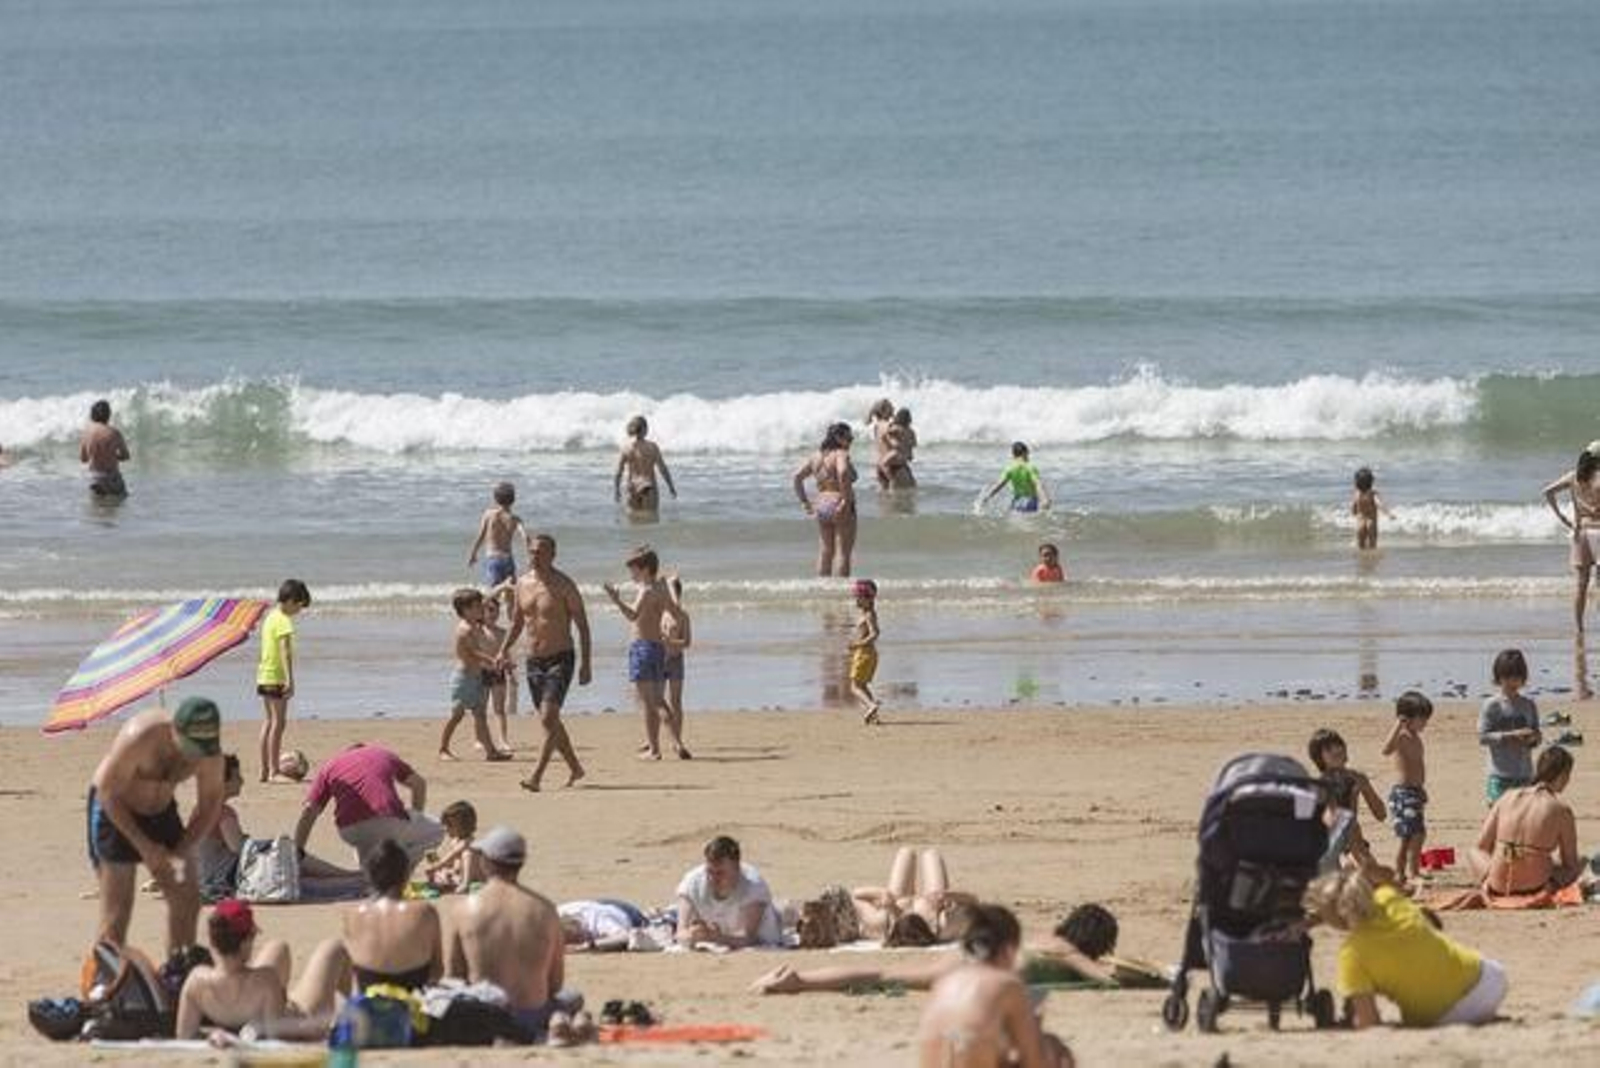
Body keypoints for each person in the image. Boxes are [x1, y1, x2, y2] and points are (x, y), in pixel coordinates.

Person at [87, 699, 226, 955]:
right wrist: (144, 846)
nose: (192, 756)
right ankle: (106, 985)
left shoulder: (210, 754)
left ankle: (177, 971)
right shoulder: (139, 735)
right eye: (189, 748)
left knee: (187, 899)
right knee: (117, 910)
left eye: (200, 750)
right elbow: (108, 793)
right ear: (174, 730)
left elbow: (210, 804)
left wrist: (183, 849)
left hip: (161, 811)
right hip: (115, 811)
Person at [1303, 868, 1507, 1028]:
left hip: (1442, 1016)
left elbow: (1369, 1022)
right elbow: (1386, 878)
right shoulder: (1389, 897)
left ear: (1331, 916)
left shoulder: (1353, 953)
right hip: (1489, 985)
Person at [444, 827, 583, 1040]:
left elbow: (455, 976)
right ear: (521, 863)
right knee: (573, 997)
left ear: (486, 862)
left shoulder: (464, 909)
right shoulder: (545, 909)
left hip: (484, 1014)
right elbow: (555, 983)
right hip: (532, 1012)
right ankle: (555, 1023)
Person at [917, 904, 1073, 1068]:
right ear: (1009, 949)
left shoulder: (945, 983)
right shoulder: (1006, 984)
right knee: (1054, 1049)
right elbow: (1032, 1058)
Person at [175, 899, 350, 1040]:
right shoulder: (265, 980)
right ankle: (359, 1010)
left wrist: (219, 1035)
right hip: (296, 1022)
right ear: (246, 943)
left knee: (278, 947)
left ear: (212, 942)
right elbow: (275, 1036)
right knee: (334, 948)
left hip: (237, 1015)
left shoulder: (196, 980)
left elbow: (184, 1035)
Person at [199, 754, 362, 903]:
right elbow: (238, 848)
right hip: (229, 882)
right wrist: (267, 847)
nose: (241, 781)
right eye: (237, 777)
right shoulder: (222, 811)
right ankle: (353, 879)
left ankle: (350, 877)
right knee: (292, 862)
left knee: (292, 864)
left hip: (212, 880)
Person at [499, 533, 590, 792]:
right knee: (549, 720)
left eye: (540, 552)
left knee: (549, 716)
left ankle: (536, 776)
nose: (535, 556)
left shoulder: (564, 585)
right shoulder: (522, 584)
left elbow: (583, 626)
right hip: (534, 659)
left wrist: (586, 664)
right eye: (531, 552)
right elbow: (517, 623)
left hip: (561, 657)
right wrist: (503, 650)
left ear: (553, 554)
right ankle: (575, 767)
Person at [603, 546, 692, 760]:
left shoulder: (646, 589)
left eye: (633, 569)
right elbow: (677, 614)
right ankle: (668, 744)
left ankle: (660, 748)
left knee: (652, 702)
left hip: (642, 647)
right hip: (658, 648)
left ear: (644, 569)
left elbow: (633, 615)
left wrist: (615, 599)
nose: (631, 574)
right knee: (657, 700)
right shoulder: (661, 589)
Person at [294, 742, 443, 868]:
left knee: (368, 842)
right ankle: (400, 869)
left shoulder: (329, 766)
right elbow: (419, 784)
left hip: (349, 830)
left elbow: (309, 812)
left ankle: (369, 872)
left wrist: (298, 850)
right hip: (387, 819)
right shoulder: (382, 753)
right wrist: (415, 820)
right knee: (437, 830)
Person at [1468, 746, 1583, 896]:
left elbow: (1481, 846)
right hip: (1536, 886)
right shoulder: (1561, 809)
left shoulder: (1507, 797)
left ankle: (1490, 879)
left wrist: (1492, 869)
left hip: (1499, 884)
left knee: (1473, 851)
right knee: (1577, 866)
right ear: (1563, 775)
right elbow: (1570, 862)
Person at [343, 839, 442, 994]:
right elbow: (437, 971)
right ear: (406, 874)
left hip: (371, 1007)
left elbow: (353, 970)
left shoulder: (352, 915)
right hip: (412, 1006)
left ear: (369, 875)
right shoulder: (424, 912)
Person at [439, 588, 511, 762]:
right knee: (457, 716)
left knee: (480, 715)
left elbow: (487, 600)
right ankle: (443, 748)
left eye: (481, 605)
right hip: (464, 680)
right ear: (465, 610)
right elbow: (474, 653)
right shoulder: (464, 629)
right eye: (477, 606)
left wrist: (503, 587)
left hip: (477, 677)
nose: (482, 609)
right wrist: (495, 661)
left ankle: (491, 751)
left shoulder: (475, 624)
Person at [849, 847, 976, 943]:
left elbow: (855, 896)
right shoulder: (942, 924)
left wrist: (882, 894)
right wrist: (949, 895)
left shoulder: (882, 923)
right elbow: (973, 901)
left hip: (898, 897)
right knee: (931, 854)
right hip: (932, 900)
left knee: (906, 852)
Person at [675, 836, 782, 948]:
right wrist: (692, 935)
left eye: (720, 873)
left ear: (737, 868)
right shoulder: (693, 882)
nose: (713, 879)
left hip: (760, 939)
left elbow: (749, 939)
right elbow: (680, 933)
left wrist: (713, 937)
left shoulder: (753, 886)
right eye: (709, 872)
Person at [1307, 728, 1386, 873]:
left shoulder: (1356, 778)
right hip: (1327, 845)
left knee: (1367, 871)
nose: (1336, 750)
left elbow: (1381, 815)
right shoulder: (1318, 786)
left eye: (1339, 745)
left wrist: (1366, 787)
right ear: (1319, 757)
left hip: (1355, 842)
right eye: (1329, 749)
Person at [257, 579, 311, 785]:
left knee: (269, 721)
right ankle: (273, 771)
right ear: (289, 600)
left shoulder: (270, 617)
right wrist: (290, 679)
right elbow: (285, 651)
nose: (299, 610)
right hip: (277, 676)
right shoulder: (283, 621)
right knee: (278, 723)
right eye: (299, 605)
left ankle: (264, 770)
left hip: (263, 675)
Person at [1542, 443, 1600, 632]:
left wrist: (1562, 518)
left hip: (1580, 533)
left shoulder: (1573, 476)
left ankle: (1579, 628)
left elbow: (1548, 492)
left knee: (1581, 585)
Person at [793, 422, 859, 577]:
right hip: (838, 501)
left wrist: (805, 502)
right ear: (838, 438)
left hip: (821, 503)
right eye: (848, 437)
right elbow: (842, 473)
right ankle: (841, 588)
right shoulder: (840, 454)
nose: (851, 441)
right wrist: (845, 501)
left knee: (826, 551)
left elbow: (797, 477)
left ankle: (823, 586)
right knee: (844, 552)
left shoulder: (816, 457)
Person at [1479, 648, 1542, 804]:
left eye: (1517, 678)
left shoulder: (1529, 704)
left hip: (1524, 774)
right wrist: (1511, 736)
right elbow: (1483, 737)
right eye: (1507, 678)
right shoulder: (1492, 705)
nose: (1512, 682)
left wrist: (1533, 738)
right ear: (1499, 678)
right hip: (1499, 775)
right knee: (1498, 817)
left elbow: (1537, 737)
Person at [1382, 691, 1432, 884]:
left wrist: (1421, 789)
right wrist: (1397, 725)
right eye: (1423, 719)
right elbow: (1386, 750)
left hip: (1415, 792)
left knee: (1418, 833)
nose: (1425, 723)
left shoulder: (1416, 738)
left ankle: (1411, 871)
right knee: (1408, 835)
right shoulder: (1401, 736)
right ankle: (1404, 873)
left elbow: (1418, 766)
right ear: (1407, 718)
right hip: (1403, 794)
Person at [468, 481, 531, 588]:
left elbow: (481, 535)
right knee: (510, 591)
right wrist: (529, 557)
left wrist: (473, 554)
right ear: (513, 500)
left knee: (494, 590)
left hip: (493, 558)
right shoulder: (515, 519)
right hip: (508, 558)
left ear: (495, 499)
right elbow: (525, 537)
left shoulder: (489, 514)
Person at [614, 416, 677, 514]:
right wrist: (671, 487)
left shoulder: (626, 448)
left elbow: (618, 472)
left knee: (633, 522)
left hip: (632, 487)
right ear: (645, 429)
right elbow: (663, 469)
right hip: (648, 487)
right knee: (650, 520)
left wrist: (617, 490)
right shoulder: (652, 447)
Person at [422, 800, 486, 893]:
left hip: (475, 876)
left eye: (450, 825)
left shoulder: (467, 842)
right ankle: (445, 881)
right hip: (458, 874)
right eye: (446, 825)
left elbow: (451, 856)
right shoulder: (454, 841)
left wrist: (437, 866)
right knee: (432, 855)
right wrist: (440, 867)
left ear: (463, 826)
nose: (446, 828)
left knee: (467, 854)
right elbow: (451, 862)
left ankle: (466, 884)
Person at [482, 593, 517, 753]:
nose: (492, 613)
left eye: (495, 610)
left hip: (498, 672)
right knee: (480, 709)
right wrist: (502, 586)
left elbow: (507, 655)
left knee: (500, 709)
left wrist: (511, 673)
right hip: (481, 673)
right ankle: (480, 739)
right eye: (489, 610)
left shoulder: (503, 633)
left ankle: (503, 740)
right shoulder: (477, 631)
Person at [663, 577, 692, 754]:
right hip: (658, 660)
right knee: (655, 702)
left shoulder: (683, 615)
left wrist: (671, 641)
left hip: (675, 660)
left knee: (675, 701)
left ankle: (677, 740)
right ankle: (653, 740)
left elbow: (687, 642)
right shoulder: (660, 612)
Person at [80, 398, 131, 499]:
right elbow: (126, 456)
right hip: (112, 478)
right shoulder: (114, 433)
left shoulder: (86, 434)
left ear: (93, 415)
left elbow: (83, 459)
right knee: (119, 507)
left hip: (96, 479)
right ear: (108, 415)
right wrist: (114, 456)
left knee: (98, 510)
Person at [980, 442, 1051, 513]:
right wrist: (1044, 499)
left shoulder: (1009, 468)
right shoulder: (1030, 467)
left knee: (1015, 521)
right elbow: (1038, 484)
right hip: (1030, 501)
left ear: (1013, 454)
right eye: (1028, 454)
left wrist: (987, 497)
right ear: (1024, 453)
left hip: (1016, 501)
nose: (1028, 456)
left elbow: (999, 484)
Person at [559, 899, 651, 952]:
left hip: (627, 912)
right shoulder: (555, 915)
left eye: (577, 938)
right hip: (594, 903)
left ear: (578, 924)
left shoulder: (599, 921)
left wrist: (587, 946)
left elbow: (625, 936)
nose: (575, 942)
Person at [848, 579, 882, 725]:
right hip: (866, 654)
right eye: (855, 596)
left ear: (868, 598)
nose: (855, 600)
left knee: (854, 686)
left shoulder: (869, 614)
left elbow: (875, 633)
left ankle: (871, 705)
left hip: (865, 654)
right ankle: (874, 715)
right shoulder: (865, 613)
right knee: (862, 685)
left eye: (858, 597)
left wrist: (857, 644)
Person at [1351, 467, 1393, 550]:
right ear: (1371, 482)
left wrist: (1354, 512)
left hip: (1360, 523)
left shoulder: (1357, 494)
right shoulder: (1373, 493)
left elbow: (1353, 508)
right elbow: (1379, 504)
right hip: (1371, 522)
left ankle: (1363, 559)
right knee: (1372, 546)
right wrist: (1388, 513)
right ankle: (1371, 558)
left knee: (1361, 547)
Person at [878, 408, 918, 489]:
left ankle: (890, 478)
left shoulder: (897, 429)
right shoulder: (908, 431)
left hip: (891, 465)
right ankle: (891, 478)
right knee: (899, 494)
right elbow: (914, 444)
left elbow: (886, 433)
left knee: (887, 495)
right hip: (897, 466)